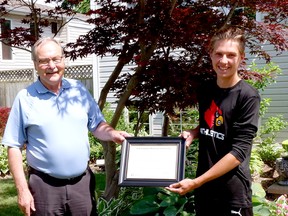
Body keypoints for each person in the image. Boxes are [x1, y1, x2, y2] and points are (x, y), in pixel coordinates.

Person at [2, 37, 130, 216]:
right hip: (45, 188)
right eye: (44, 61)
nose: (52, 66)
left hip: (82, 185)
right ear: (35, 65)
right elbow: (13, 146)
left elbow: (96, 124)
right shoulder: (25, 98)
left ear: (64, 60)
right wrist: (22, 190)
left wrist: (112, 133)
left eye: (56, 59)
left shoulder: (78, 90)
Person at [166, 27, 260, 216]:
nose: (223, 61)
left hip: (233, 194)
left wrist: (196, 182)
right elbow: (213, 124)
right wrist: (193, 133)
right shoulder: (206, 90)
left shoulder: (248, 97)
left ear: (241, 58)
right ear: (211, 55)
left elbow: (238, 152)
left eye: (231, 55)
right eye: (219, 54)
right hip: (206, 192)